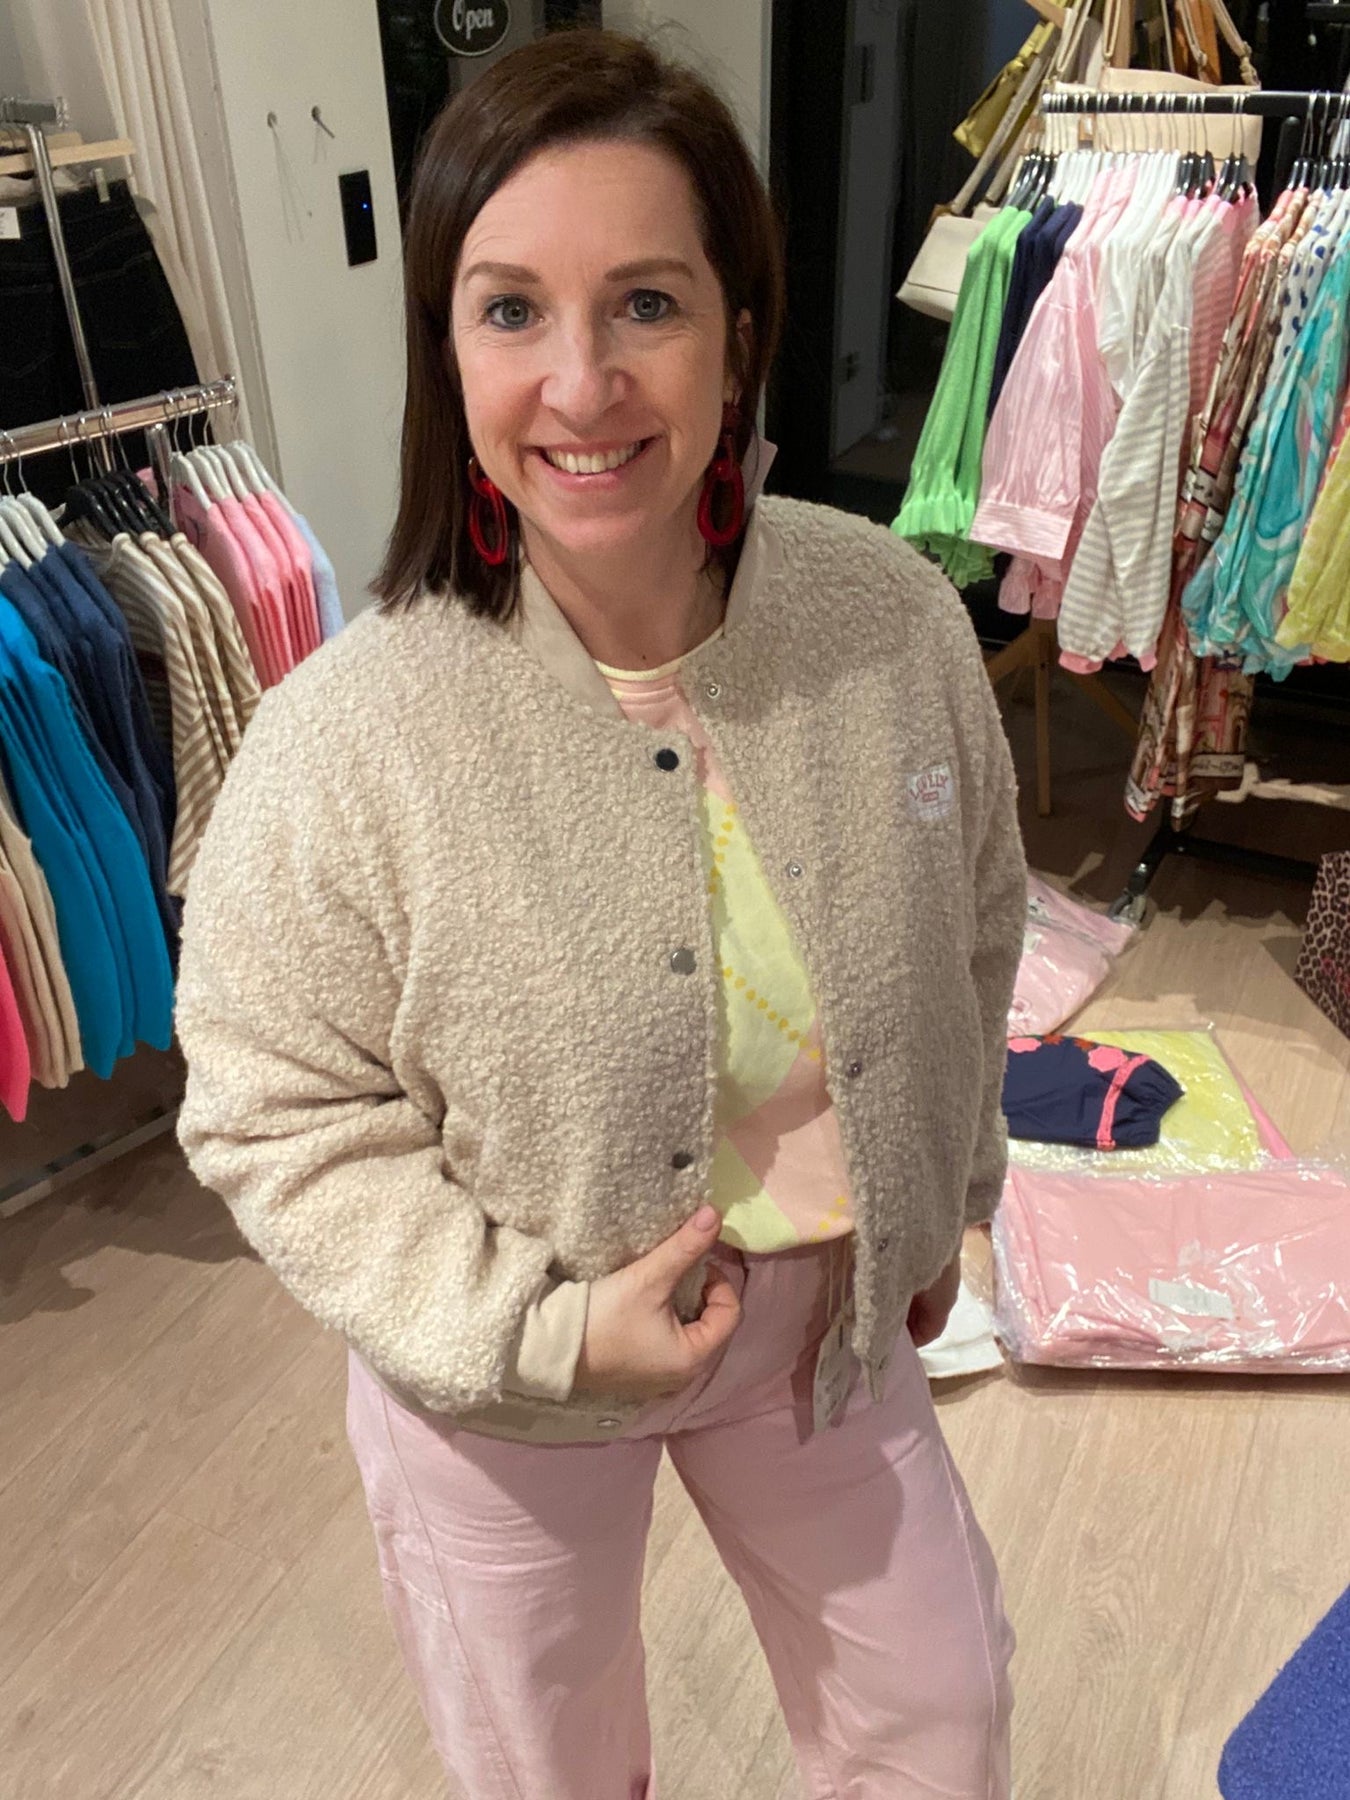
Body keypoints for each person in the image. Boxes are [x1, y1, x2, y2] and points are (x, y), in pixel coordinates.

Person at [175, 28, 1025, 1800]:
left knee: (935, 1716)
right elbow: (271, 1109)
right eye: (511, 311)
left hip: (825, 1326)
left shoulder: (888, 621)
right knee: (551, 1767)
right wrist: (541, 1338)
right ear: (446, 350)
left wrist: (945, 1188)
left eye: (646, 302)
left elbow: (972, 923)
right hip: (502, 1374)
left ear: (738, 331)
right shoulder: (346, 739)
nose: (581, 383)